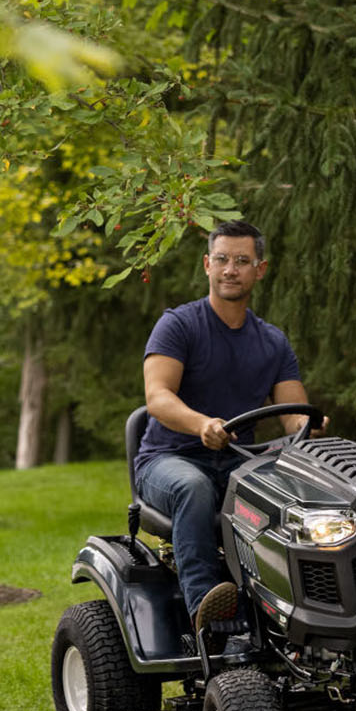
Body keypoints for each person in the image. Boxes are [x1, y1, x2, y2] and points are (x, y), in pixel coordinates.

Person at [134, 219, 313, 647]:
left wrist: (310, 428)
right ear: (207, 266)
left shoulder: (272, 341)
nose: (230, 269)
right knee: (194, 487)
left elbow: (294, 414)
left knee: (294, 496)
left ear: (260, 269)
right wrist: (202, 424)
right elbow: (158, 398)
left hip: (238, 461)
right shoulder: (179, 326)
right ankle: (204, 616)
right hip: (167, 459)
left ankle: (295, 612)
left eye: (241, 261)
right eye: (222, 260)